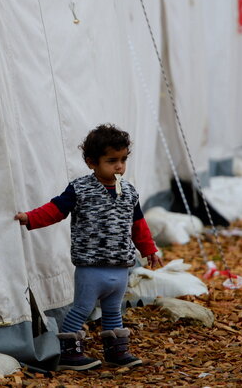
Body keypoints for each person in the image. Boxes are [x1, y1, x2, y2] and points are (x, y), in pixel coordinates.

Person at [14, 124, 162, 371]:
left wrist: (148, 249)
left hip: (120, 266)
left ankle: (116, 350)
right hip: (91, 266)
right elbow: (56, 209)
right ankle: (69, 352)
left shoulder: (129, 192)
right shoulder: (80, 188)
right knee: (81, 308)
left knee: (113, 310)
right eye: (111, 160)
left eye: (123, 160)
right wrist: (31, 218)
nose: (119, 167)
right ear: (92, 162)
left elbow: (138, 223)